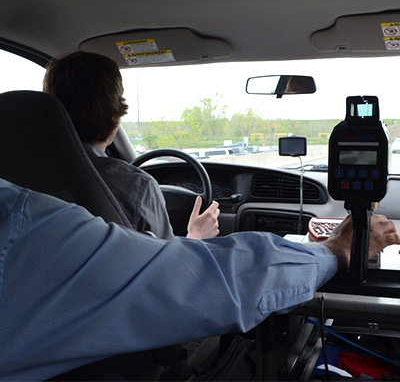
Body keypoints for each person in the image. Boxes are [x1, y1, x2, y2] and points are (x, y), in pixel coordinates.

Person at [0, 178, 398, 380]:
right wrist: (335, 251)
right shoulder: (20, 216)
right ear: (113, 116)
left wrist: (187, 244)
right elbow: (205, 281)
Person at [42, 51, 219, 241]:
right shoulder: (137, 186)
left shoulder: (17, 179)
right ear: (114, 115)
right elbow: (168, 268)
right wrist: (196, 235)